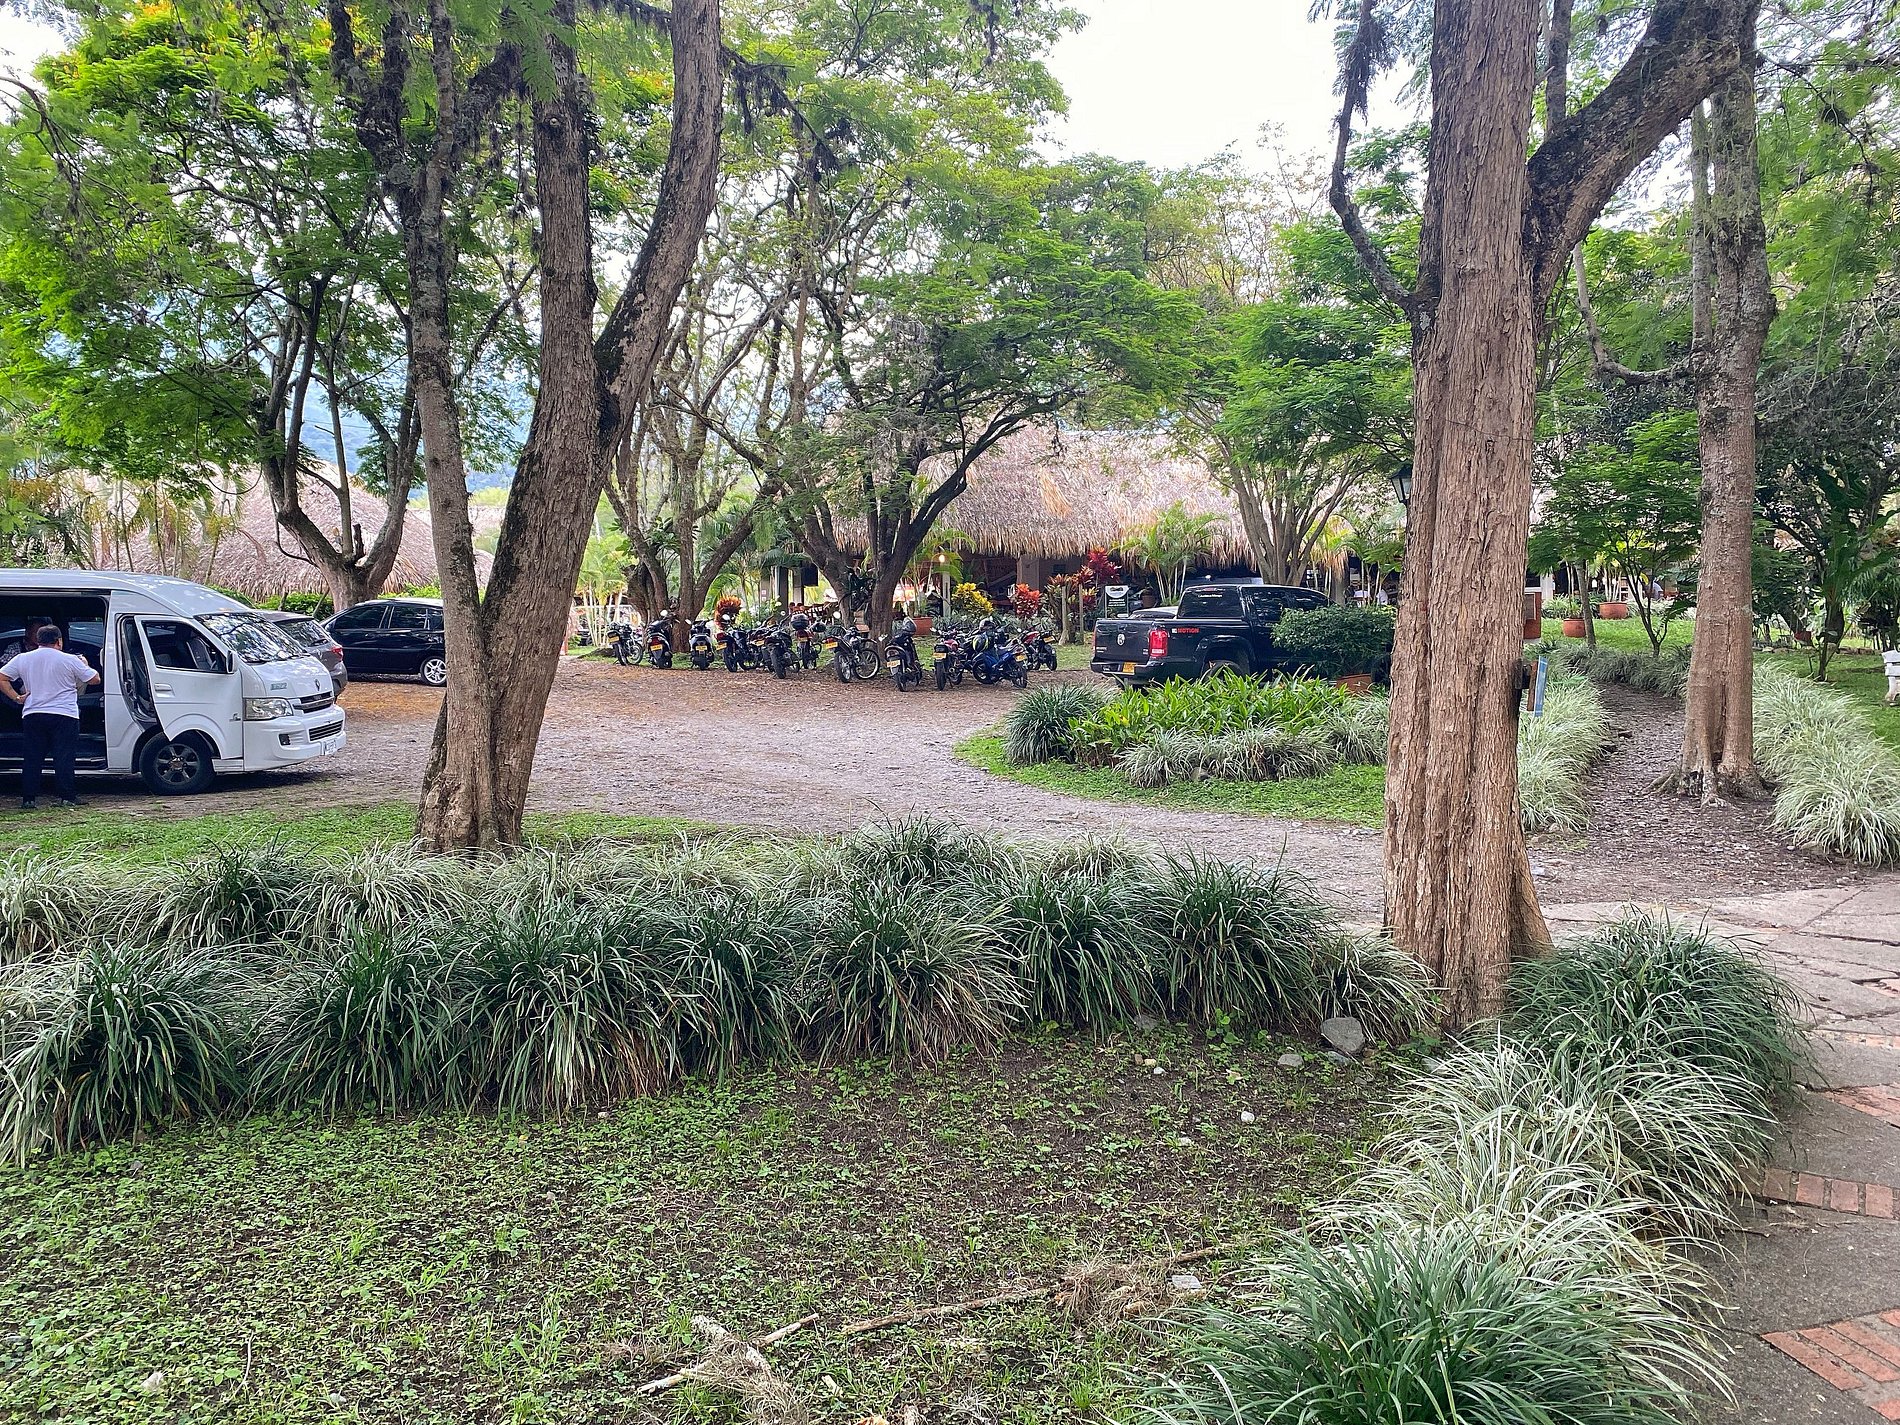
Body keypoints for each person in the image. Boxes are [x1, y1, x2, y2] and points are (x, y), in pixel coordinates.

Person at [1, 625, 101, 809]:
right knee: (63, 756)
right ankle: (67, 796)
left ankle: (29, 799)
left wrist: (16, 697)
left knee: (32, 757)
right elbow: (94, 679)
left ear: (38, 640)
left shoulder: (23, 658)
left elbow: (2, 677)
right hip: (64, 714)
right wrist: (85, 665)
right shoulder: (70, 659)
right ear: (59, 641)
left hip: (33, 713)